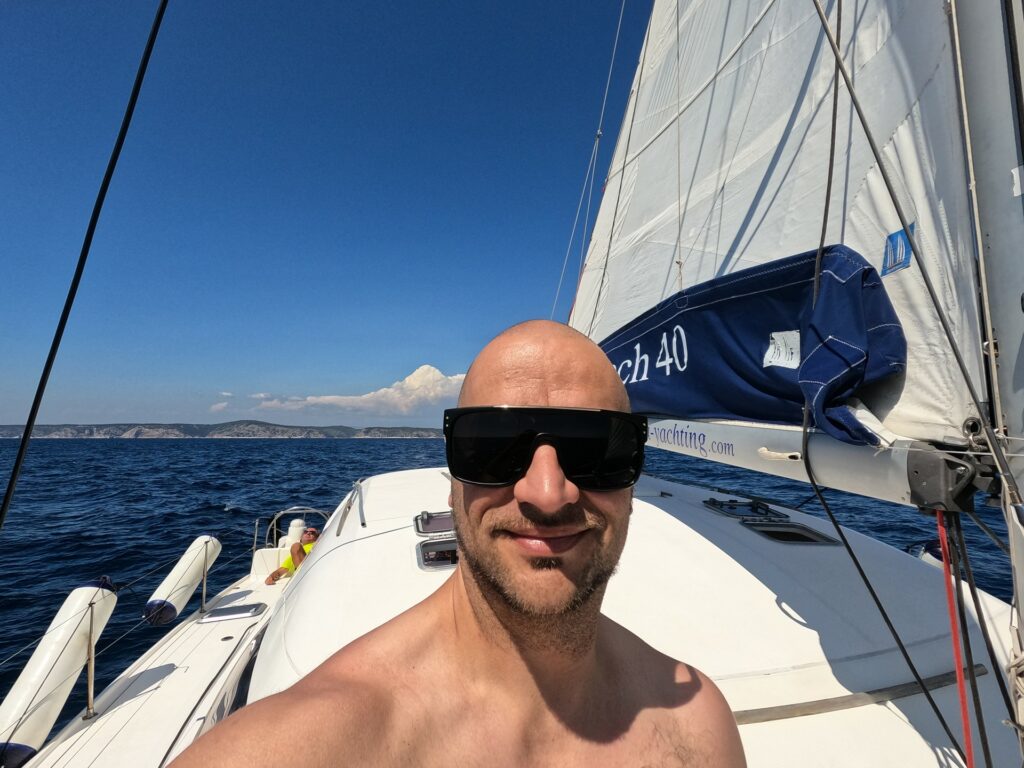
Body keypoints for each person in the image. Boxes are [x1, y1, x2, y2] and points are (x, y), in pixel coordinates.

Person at [172, 320, 746, 767]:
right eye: (493, 447)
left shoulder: (699, 727)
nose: (548, 493)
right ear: (453, 485)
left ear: (633, 478)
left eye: (597, 448)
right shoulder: (294, 748)